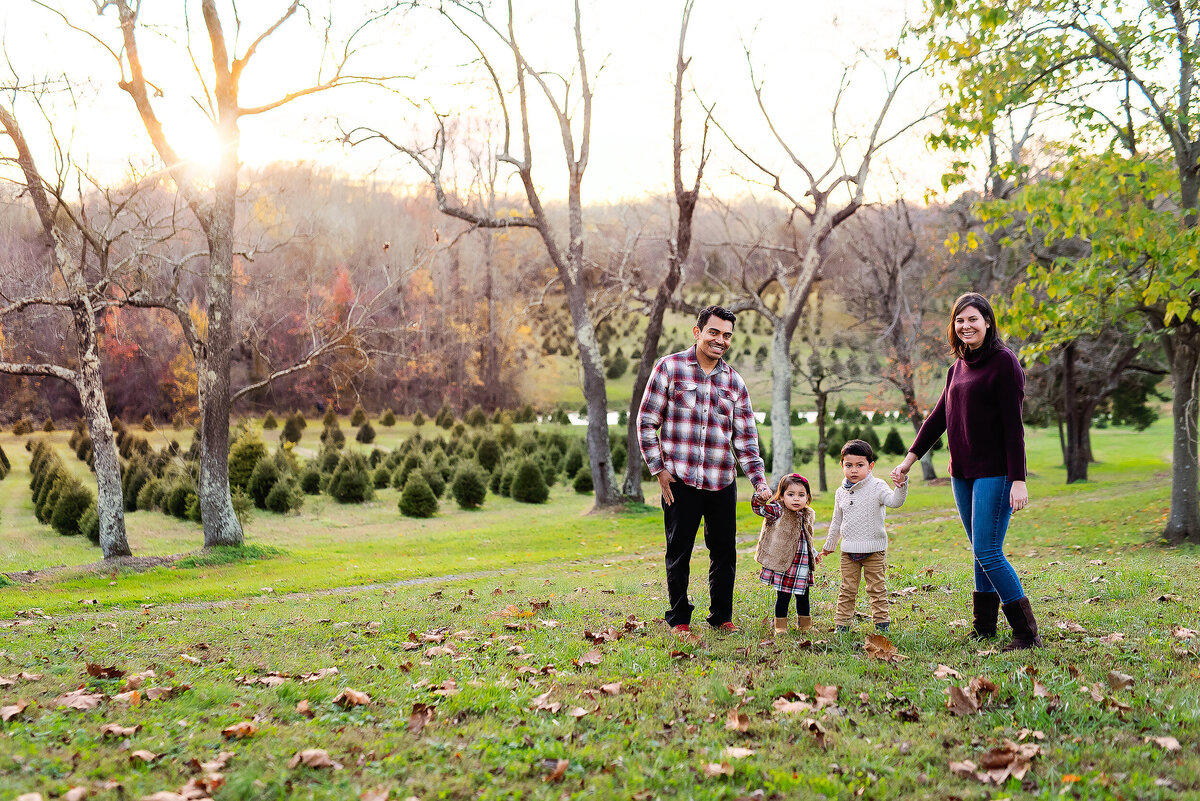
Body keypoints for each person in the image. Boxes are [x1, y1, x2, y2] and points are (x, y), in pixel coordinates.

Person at [891, 292, 1042, 650]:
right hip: (963, 473)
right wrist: (910, 459)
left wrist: (1018, 480)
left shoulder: (1005, 363)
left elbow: (1013, 427)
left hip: (996, 472)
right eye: (960, 320)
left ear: (988, 322)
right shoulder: (957, 366)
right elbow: (939, 417)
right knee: (979, 550)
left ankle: (1025, 633)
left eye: (973, 319)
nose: (966, 326)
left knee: (989, 551)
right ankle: (984, 627)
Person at [638, 305, 772, 636]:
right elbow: (646, 422)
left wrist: (760, 484)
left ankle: (721, 616)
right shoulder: (669, 369)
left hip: (721, 482)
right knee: (679, 550)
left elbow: (746, 441)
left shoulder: (734, 383)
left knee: (725, 551)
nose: (720, 340)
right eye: (714, 332)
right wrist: (659, 470)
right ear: (697, 332)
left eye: (727, 335)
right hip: (679, 481)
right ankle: (680, 619)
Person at [819, 439, 908, 633]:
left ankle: (882, 624)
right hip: (848, 551)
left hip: (874, 550)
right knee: (847, 589)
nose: (854, 470)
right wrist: (829, 544)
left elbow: (894, 502)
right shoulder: (840, 493)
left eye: (860, 465)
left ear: (870, 466)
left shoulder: (877, 486)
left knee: (877, 589)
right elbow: (837, 521)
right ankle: (842, 625)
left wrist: (901, 486)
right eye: (849, 465)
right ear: (842, 465)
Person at [752, 473, 818, 637]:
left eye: (801, 495)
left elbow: (807, 536)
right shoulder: (778, 510)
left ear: (807, 497)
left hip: (802, 564)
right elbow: (759, 509)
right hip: (784, 563)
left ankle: (805, 624)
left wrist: (814, 553)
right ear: (781, 495)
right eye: (791, 494)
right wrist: (759, 498)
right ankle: (780, 625)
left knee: (803, 595)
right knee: (783, 595)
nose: (796, 499)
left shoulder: (807, 514)